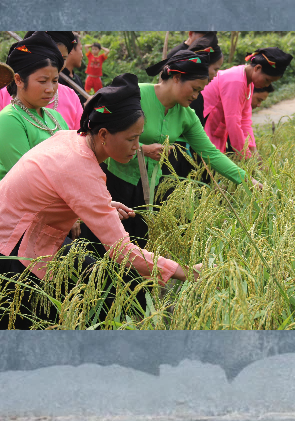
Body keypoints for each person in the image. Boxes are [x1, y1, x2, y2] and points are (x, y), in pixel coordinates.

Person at [0, 73, 201, 328]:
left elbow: (57, 192)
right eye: (131, 139)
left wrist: (97, 208)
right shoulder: (80, 167)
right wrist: (185, 271)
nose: (137, 147)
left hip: (35, 235)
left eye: (139, 138)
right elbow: (122, 251)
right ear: (104, 134)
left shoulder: (71, 138)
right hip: (9, 248)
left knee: (103, 284)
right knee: (40, 320)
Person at [87, 48, 254, 249]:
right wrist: (142, 148)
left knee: (137, 249)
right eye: (193, 88)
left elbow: (210, 153)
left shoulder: (186, 115)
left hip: (150, 190)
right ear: (176, 77)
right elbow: (98, 132)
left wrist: (246, 180)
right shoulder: (136, 94)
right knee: (103, 245)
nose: (196, 95)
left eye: (200, 90)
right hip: (114, 182)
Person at [0, 33, 70, 181]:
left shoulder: (55, 117)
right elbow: (28, 180)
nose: (50, 89)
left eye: (55, 80)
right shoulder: (9, 120)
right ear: (18, 80)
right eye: (43, 81)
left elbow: (76, 162)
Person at [204, 47, 292, 158]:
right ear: (257, 68)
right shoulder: (236, 81)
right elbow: (233, 123)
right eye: (267, 80)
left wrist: (255, 154)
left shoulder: (247, 82)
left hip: (214, 129)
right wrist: (247, 158)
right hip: (204, 123)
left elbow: (245, 121)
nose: (267, 85)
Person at [0, 33, 84, 129]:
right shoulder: (4, 99)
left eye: (62, 59)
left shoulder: (70, 97)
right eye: (42, 81)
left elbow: (79, 139)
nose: (53, 64)